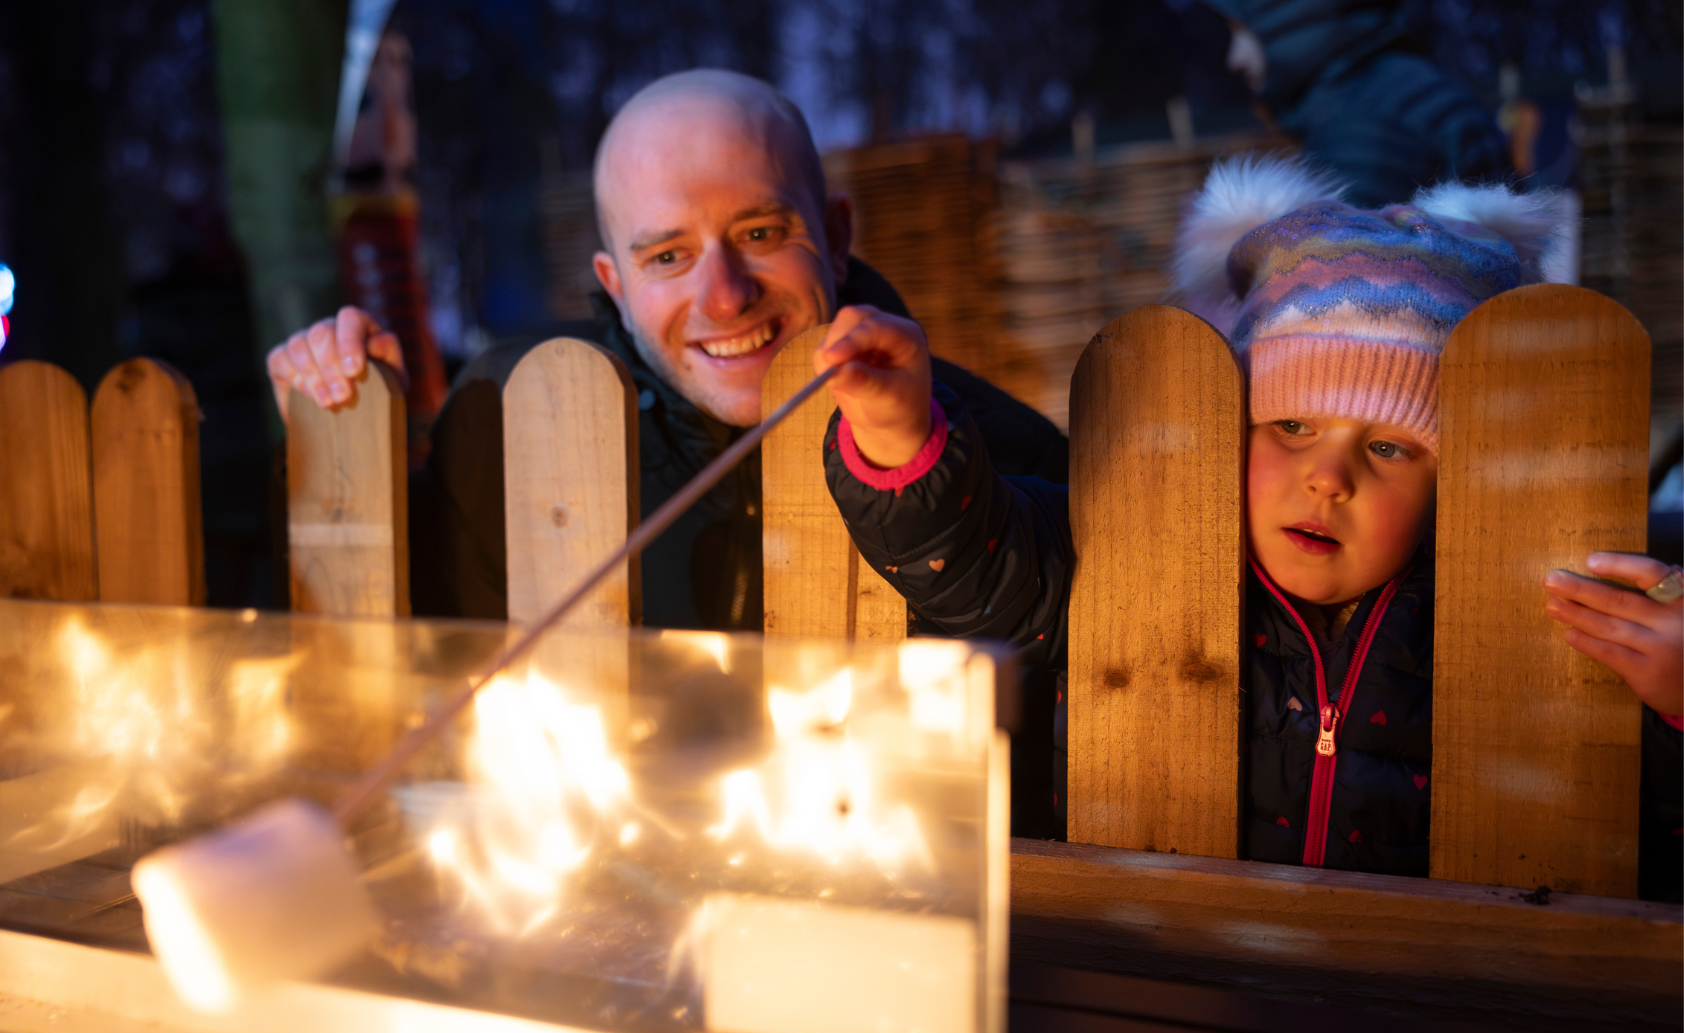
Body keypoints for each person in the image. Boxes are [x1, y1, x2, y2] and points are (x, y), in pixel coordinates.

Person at [815, 157, 1683, 899]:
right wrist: (900, 435)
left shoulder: (1537, 617)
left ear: (1453, 485)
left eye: (1388, 445)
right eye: (1291, 427)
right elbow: (978, 564)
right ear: (1234, 428)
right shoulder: (1128, 550)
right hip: (1171, 993)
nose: (1329, 476)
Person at [265, 68, 1066, 629]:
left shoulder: (1002, 446)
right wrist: (355, 464)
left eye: (759, 232)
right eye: (668, 256)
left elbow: (1054, 644)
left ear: (837, 233)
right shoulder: (505, 422)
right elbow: (411, 675)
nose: (724, 295)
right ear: (614, 282)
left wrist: (914, 465)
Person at [1208, 0, 1507, 208]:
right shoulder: (1401, 81)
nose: (1234, 60)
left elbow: (1350, 278)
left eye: (1240, 33)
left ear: (1288, 22)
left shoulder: (1358, 118)